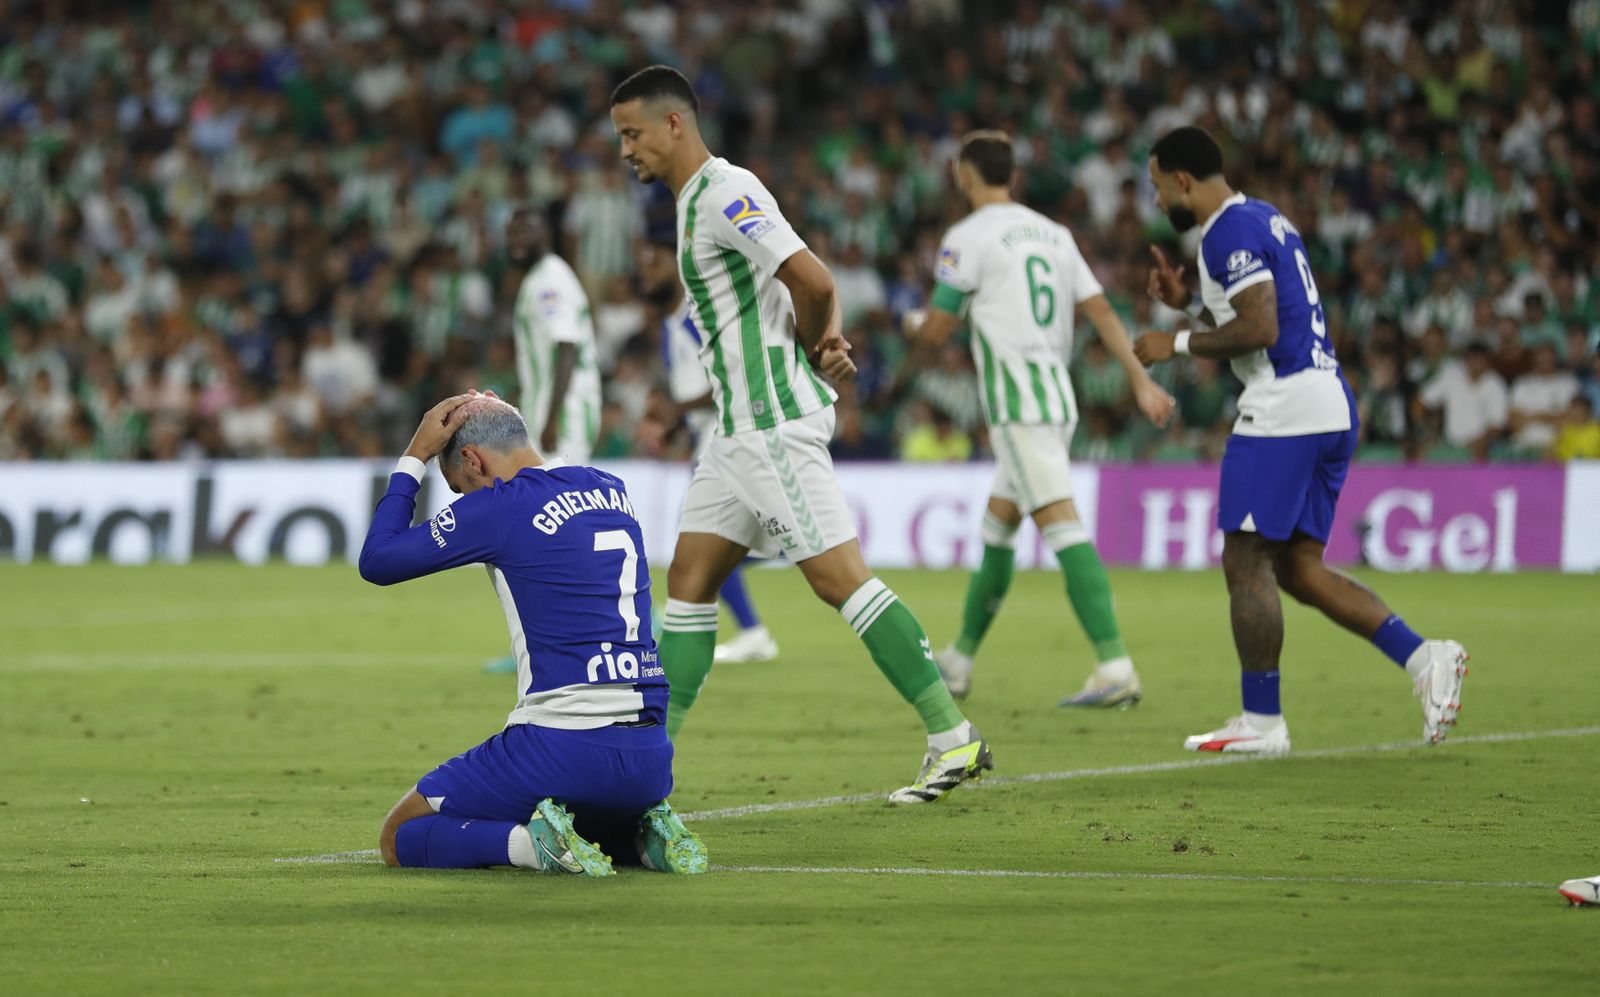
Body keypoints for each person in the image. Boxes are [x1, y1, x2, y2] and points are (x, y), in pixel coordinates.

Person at [609, 65, 991, 804]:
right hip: (735, 428)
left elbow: (813, 280)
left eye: (633, 134)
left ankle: (952, 735)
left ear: (674, 124)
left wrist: (820, 343)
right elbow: (797, 291)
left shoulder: (724, 192)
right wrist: (825, 336)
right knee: (687, 583)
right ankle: (643, 767)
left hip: (771, 422)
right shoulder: (694, 203)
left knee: (838, 580)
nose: (626, 151)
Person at [1132, 126, 1466, 754]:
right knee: (1296, 568)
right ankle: (1425, 657)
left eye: (1156, 186)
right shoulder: (1264, 217)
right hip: (1328, 400)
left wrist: (1171, 343)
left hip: (1284, 407)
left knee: (1244, 558)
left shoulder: (1226, 231)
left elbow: (1260, 326)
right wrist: (1189, 306)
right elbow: (1261, 316)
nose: (1155, 201)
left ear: (1182, 181)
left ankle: (1262, 722)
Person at [359, 391, 707, 875]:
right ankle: (641, 839)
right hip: (651, 757)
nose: (465, 499)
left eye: (460, 487)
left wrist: (414, 456)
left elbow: (377, 561)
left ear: (472, 460)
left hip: (561, 746)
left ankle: (530, 847)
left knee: (400, 835)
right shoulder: (612, 488)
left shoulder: (501, 506)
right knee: (579, 804)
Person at [907, 130, 1174, 708]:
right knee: (998, 530)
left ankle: (1115, 666)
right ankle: (960, 658)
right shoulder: (1054, 234)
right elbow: (1100, 309)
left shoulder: (966, 237)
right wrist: (1139, 377)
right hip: (1055, 397)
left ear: (964, 174)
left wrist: (912, 324)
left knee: (1063, 528)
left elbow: (937, 329)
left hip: (1018, 407)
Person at [640, 231, 781, 664]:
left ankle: (745, 631)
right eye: (645, 266)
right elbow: (694, 393)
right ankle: (751, 630)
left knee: (705, 540)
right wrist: (674, 427)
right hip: (708, 437)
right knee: (713, 542)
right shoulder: (667, 330)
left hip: (732, 434)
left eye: (658, 263)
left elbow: (728, 380)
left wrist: (676, 409)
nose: (648, 273)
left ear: (679, 271)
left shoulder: (695, 318)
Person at [483, 206, 605, 675]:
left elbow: (566, 346)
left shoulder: (550, 278)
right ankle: (547, 642)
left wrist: (551, 420)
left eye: (526, 227)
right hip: (551, 415)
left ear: (546, 232)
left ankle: (581, 635)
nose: (516, 236)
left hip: (566, 415)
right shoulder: (539, 278)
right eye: (511, 229)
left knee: (556, 526)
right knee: (544, 526)